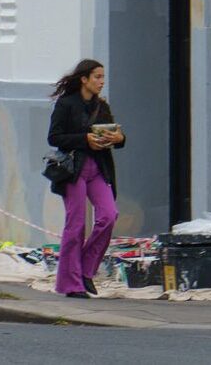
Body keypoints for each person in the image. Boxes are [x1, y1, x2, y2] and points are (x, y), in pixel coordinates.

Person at [48, 58, 125, 298]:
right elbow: (54, 137)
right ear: (84, 79)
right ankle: (71, 284)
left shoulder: (101, 106)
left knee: (108, 215)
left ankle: (85, 269)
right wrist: (85, 139)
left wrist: (118, 138)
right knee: (76, 224)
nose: (101, 82)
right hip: (74, 169)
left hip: (98, 167)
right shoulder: (66, 104)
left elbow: (118, 136)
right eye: (97, 77)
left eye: (103, 77)